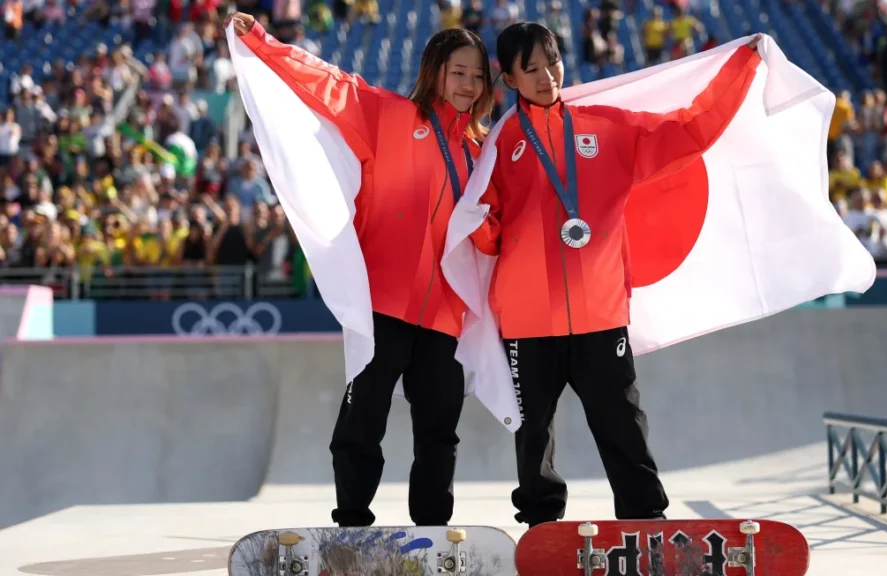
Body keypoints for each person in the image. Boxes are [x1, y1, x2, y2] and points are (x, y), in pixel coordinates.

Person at [467, 22, 762, 527]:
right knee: (533, 431)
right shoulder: (499, 146)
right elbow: (486, 232)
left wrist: (742, 66)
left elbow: (689, 130)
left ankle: (645, 519)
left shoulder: (605, 127)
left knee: (622, 423)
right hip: (527, 321)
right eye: (531, 68)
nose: (547, 76)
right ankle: (542, 526)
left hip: (600, 316)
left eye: (552, 61)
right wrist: (481, 222)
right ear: (510, 79)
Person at [227, 12, 494, 527]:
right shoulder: (387, 115)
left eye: (478, 75)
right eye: (458, 71)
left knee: (440, 427)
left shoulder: (479, 154)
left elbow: (488, 235)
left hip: (444, 313)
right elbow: (327, 82)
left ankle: (435, 529)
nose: (468, 84)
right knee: (364, 415)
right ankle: (351, 519)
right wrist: (264, 43)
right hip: (384, 302)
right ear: (434, 70)